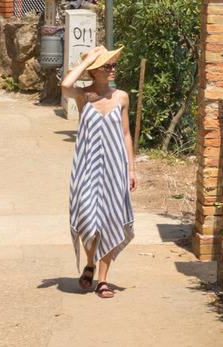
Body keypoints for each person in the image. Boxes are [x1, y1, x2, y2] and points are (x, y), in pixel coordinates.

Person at [61, 45, 136, 298]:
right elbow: (65, 84)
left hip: (115, 167)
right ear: (94, 71)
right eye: (107, 66)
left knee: (110, 219)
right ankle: (90, 261)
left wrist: (131, 169)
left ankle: (103, 279)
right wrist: (89, 60)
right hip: (87, 166)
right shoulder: (83, 95)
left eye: (114, 65)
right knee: (86, 218)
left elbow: (126, 134)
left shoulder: (122, 97)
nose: (113, 69)